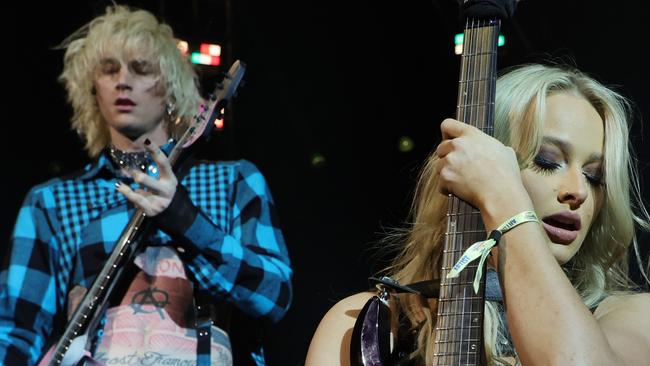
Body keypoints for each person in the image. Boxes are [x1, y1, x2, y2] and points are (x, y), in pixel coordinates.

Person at [0, 5, 292, 366]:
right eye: (109, 69)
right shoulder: (51, 202)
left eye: (141, 68)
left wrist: (186, 220)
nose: (123, 80)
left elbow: (274, 297)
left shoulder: (234, 180)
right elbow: (17, 333)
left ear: (171, 87)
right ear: (93, 89)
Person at [305, 63, 650, 365]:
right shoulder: (364, 327)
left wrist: (507, 205)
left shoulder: (629, 319)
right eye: (546, 162)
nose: (578, 190)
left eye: (595, 177)